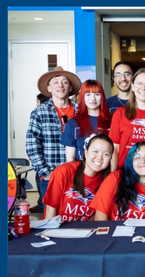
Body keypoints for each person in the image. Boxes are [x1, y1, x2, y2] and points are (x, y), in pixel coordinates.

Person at [26, 66, 82, 213]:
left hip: (78, 176)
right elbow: (32, 145)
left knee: (75, 216)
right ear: (49, 88)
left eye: (64, 82)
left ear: (70, 88)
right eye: (56, 82)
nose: (60, 85)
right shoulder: (39, 112)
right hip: (50, 176)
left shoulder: (80, 111)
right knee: (51, 220)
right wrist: (45, 172)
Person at [91, 141, 145, 220]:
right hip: (115, 232)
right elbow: (100, 218)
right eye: (137, 157)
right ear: (131, 162)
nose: (143, 161)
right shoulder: (116, 178)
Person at [43, 134, 114, 221]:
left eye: (106, 154)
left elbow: (95, 216)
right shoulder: (64, 171)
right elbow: (51, 208)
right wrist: (49, 232)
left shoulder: (107, 181)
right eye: (95, 151)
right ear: (86, 152)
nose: (100, 157)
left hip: (84, 230)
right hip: (58, 228)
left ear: (110, 158)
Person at [61, 80, 113, 162]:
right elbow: (70, 159)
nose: (93, 98)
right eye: (88, 94)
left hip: (106, 171)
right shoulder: (73, 123)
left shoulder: (112, 120)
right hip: (80, 171)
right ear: (82, 97)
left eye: (97, 94)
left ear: (102, 97)